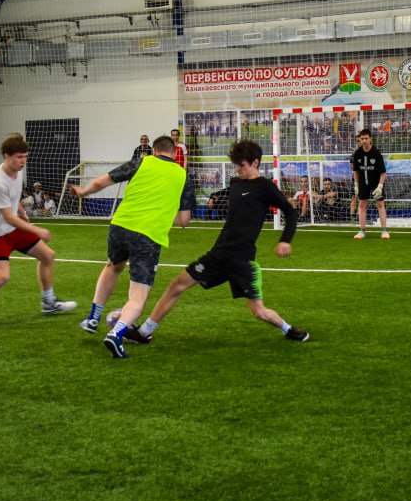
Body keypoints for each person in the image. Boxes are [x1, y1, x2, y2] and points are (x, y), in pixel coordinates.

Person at [125, 139, 309, 356]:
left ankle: (288, 329)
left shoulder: (265, 187)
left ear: (255, 162)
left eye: (242, 165)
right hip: (218, 254)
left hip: (241, 260)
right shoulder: (236, 183)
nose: (238, 169)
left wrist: (285, 240)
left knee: (259, 312)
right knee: (177, 285)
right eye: (236, 165)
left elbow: (290, 212)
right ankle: (144, 332)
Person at [70, 134, 195, 358]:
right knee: (138, 296)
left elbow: (102, 181)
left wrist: (83, 192)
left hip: (119, 225)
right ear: (174, 153)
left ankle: (93, 318)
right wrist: (164, 213)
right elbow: (184, 220)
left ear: (154, 150)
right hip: (148, 235)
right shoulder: (183, 175)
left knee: (113, 266)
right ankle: (116, 334)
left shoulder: (141, 162)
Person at [0, 134, 77, 329]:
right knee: (1, 277)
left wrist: (21, 211)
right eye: (19, 157)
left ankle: (49, 302)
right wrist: (37, 230)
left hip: (13, 228)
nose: (23, 161)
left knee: (47, 256)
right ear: (6, 156)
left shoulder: (17, 172)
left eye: (25, 157)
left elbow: (14, 199)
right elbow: (7, 217)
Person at [351, 129, 389, 240]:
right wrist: (356, 184)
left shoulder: (376, 153)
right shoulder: (357, 153)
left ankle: (384, 231)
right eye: (362, 139)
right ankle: (362, 231)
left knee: (380, 204)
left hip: (376, 183)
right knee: (362, 205)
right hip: (363, 183)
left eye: (366, 138)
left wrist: (380, 186)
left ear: (370, 139)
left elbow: (383, 172)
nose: (364, 141)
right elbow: (356, 171)